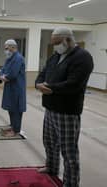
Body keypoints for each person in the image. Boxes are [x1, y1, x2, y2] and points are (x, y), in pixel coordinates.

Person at [35, 28, 94, 187]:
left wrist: (51, 88)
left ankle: (71, 183)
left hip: (67, 111)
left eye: (57, 43)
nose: (55, 47)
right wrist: (38, 84)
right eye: (53, 43)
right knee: (49, 142)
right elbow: (43, 72)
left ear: (68, 40)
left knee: (69, 152)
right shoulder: (56, 56)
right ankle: (52, 167)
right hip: (50, 107)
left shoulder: (83, 57)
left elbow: (74, 83)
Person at [0, 39, 26, 137]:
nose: (6, 50)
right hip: (9, 87)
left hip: (17, 87)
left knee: (16, 109)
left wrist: (5, 77)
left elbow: (13, 73)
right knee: (10, 107)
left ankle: (16, 130)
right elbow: (3, 69)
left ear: (13, 47)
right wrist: (1, 76)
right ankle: (12, 125)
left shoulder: (18, 58)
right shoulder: (9, 58)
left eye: (7, 48)